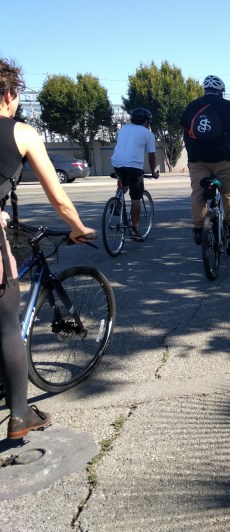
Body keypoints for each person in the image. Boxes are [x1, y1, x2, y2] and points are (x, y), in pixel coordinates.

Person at [0, 57, 94, 439]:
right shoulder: (19, 132)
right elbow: (59, 199)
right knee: (8, 326)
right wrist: (78, 227)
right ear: (8, 95)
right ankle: (21, 415)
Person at [180, 75, 230, 248]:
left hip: (198, 160)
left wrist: (191, 155)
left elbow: (185, 134)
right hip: (223, 159)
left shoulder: (192, 106)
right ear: (221, 91)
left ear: (205, 90)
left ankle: (197, 229)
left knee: (197, 193)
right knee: (228, 193)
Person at [111, 107, 159, 242]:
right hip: (134, 166)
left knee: (124, 182)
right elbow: (152, 157)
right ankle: (134, 229)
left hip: (117, 162)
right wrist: (154, 172)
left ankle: (117, 201)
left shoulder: (123, 129)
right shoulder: (148, 134)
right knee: (135, 198)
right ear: (146, 121)